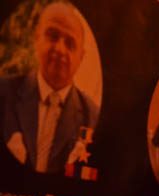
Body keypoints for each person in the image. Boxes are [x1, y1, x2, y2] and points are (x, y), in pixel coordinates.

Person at [1, 1, 99, 174]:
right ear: (36, 39)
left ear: (81, 57)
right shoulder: (4, 93)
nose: (60, 49)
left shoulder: (92, 116)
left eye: (70, 43)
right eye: (53, 36)